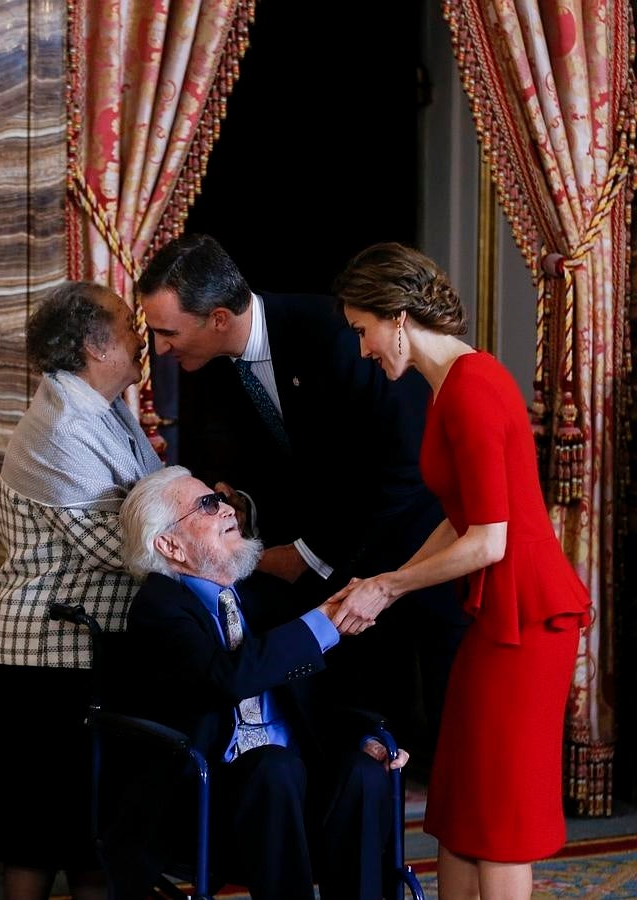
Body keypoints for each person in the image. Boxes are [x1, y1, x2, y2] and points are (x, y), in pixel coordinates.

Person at [329, 242, 592, 900]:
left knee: (496, 815)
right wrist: (383, 589)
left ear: (396, 317)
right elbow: (459, 516)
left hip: (527, 619)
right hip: (498, 613)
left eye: (361, 331)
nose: (361, 349)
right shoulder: (451, 386)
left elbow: (489, 541)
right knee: (458, 802)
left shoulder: (472, 389)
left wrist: (388, 585)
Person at [137, 232, 466, 752]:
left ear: (218, 318)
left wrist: (310, 555)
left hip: (417, 554)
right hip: (341, 579)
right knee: (363, 742)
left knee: (453, 740)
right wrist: (247, 502)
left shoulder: (338, 334)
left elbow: (402, 467)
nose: (160, 348)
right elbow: (295, 467)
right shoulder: (213, 364)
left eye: (167, 332)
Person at [117, 464, 409, 900]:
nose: (226, 509)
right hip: (210, 798)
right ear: (169, 544)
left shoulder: (260, 595)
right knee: (274, 765)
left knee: (362, 772)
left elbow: (320, 691)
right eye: (207, 504)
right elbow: (226, 678)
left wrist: (361, 735)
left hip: (293, 788)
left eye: (221, 500)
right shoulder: (159, 608)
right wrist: (322, 622)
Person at [0, 281, 162, 900]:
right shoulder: (61, 428)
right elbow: (123, 548)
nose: (141, 334)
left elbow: (150, 504)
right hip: (46, 656)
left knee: (91, 838)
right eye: (127, 324)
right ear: (92, 343)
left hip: (87, 653)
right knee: (35, 837)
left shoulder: (105, 409)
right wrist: (204, 528)